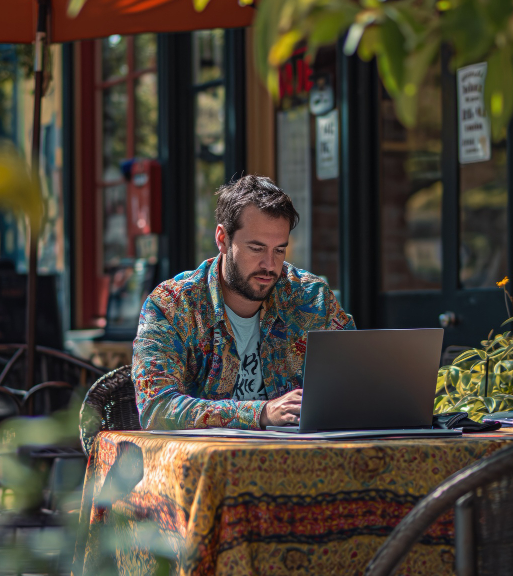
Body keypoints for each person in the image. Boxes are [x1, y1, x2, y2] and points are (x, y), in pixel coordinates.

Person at [132, 175, 355, 430]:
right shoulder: (172, 306)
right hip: (208, 464)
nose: (270, 265)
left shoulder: (312, 299)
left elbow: (354, 382)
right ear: (222, 239)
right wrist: (261, 413)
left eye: (279, 250)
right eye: (256, 248)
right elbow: (156, 409)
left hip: (302, 459)